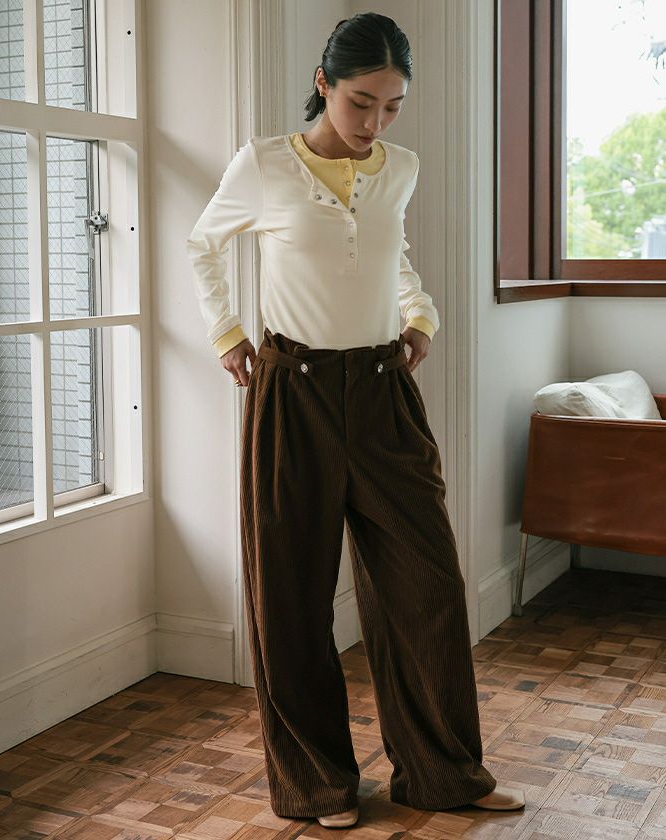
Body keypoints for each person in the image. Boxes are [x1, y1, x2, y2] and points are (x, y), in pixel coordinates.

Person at [186, 12, 525, 827]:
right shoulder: (264, 164)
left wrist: (420, 315)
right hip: (292, 392)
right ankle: (318, 785)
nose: (375, 123)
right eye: (360, 103)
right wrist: (227, 333)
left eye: (392, 106)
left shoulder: (399, 169)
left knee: (427, 587)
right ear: (324, 85)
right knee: (291, 595)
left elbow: (390, 253)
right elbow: (202, 244)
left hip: (382, 391)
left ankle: (444, 775)